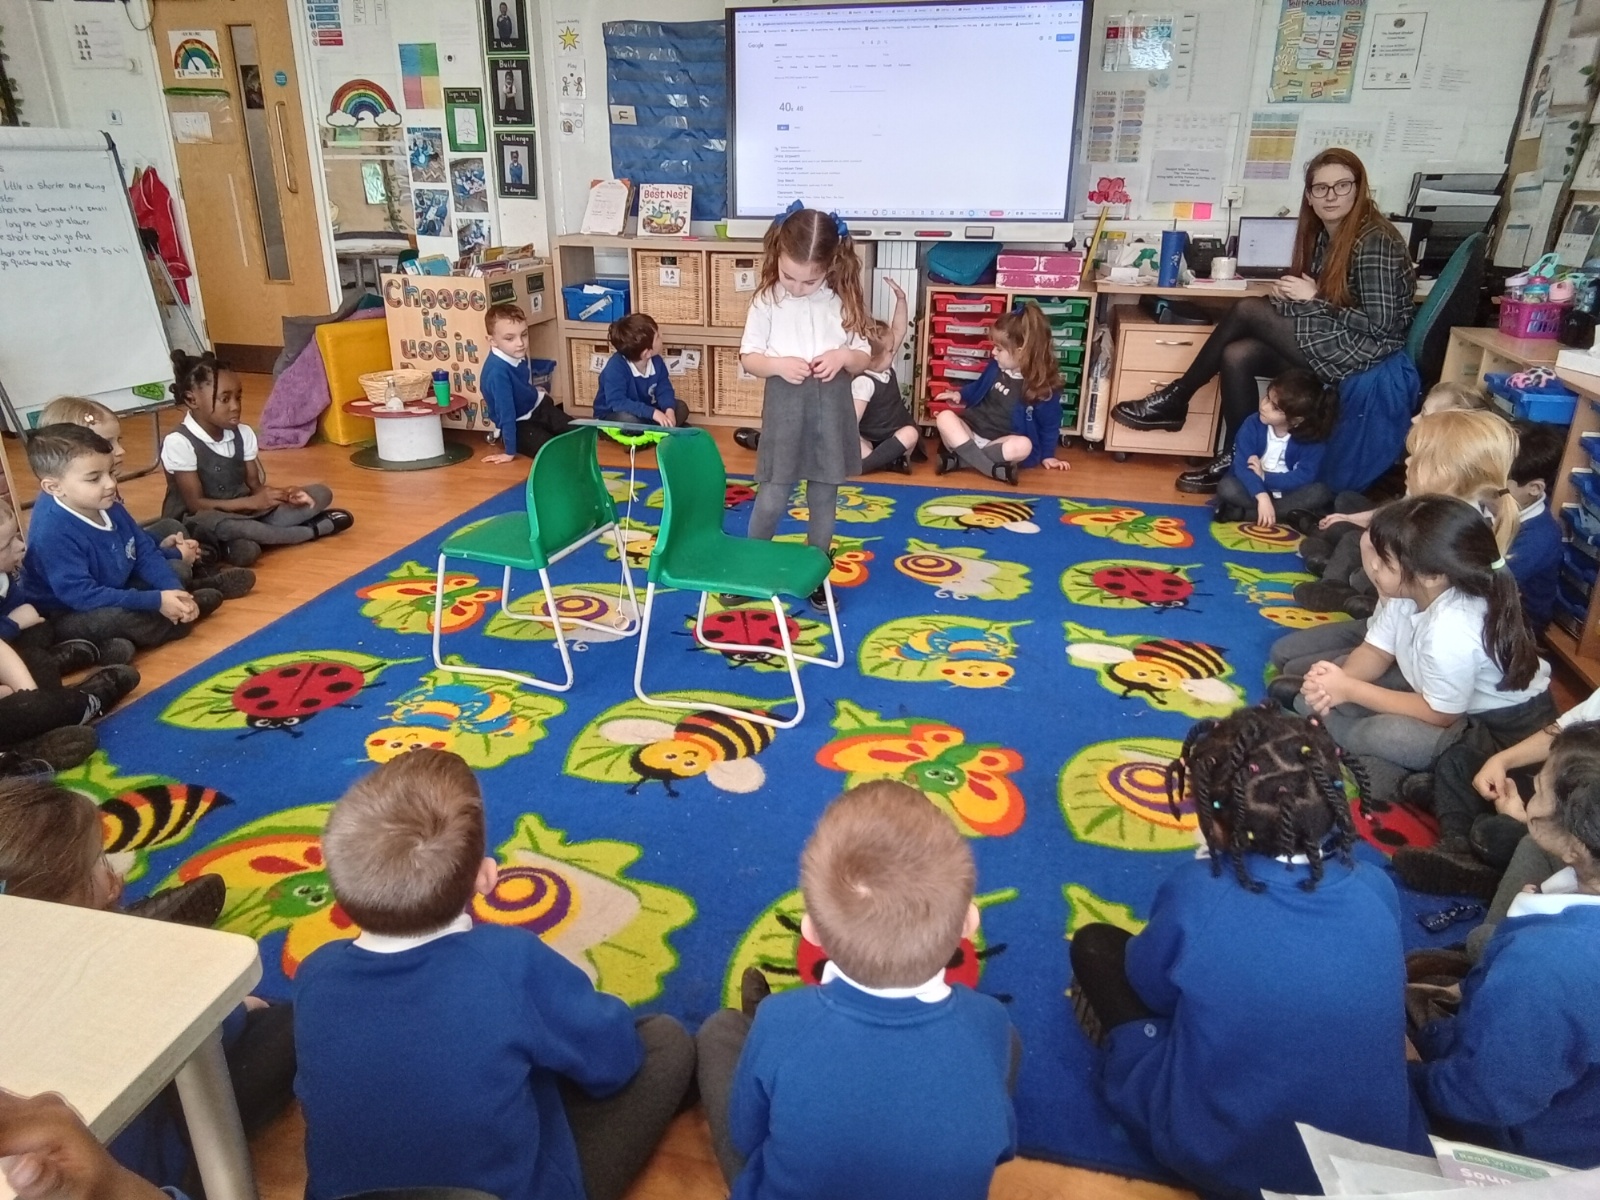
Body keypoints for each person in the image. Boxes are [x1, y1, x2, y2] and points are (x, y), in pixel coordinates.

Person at [294, 749, 694, 1200]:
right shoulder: (508, 961)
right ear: (486, 878)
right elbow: (615, 1063)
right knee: (664, 1040)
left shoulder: (315, 974)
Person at [1071, 704, 1426, 1200]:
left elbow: (1151, 989)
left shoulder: (1199, 893)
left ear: (1214, 821)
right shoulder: (1374, 885)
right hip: (1370, 1157)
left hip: (1225, 1154)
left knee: (1095, 946)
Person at [696, 780, 1018, 1199]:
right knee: (1003, 1045)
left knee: (721, 1032)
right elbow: (1002, 1147)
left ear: (811, 933)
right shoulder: (990, 1021)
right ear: (969, 924)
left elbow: (745, 1135)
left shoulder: (782, 1019)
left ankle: (761, 1036)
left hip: (791, 1044)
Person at [0, 777, 293, 1185]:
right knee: (296, 1018)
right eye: (100, 861)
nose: (114, 871)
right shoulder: (113, 974)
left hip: (88, 1145)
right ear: (66, 903)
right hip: (158, 1163)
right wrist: (242, 1010)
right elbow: (209, 1033)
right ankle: (139, 928)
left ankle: (135, 924)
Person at [1111, 148, 1415, 494]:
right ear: (1309, 196)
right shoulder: (1328, 235)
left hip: (1367, 352)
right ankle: (1239, 458)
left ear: (1359, 189)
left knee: (1247, 309)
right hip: (1342, 338)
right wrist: (1293, 298)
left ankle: (1177, 398)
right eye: (1320, 188)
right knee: (1237, 354)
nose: (1331, 196)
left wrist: (1314, 298)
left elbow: (1380, 325)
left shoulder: (1374, 241)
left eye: (1342, 186)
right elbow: (1334, 304)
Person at [1411, 721, 1600, 1169]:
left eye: (1539, 790)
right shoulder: (1554, 956)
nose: (1530, 795)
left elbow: (1482, 1100)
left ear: (1574, 845)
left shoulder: (1547, 965)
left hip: (1528, 1143)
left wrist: (1409, 1073)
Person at [1298, 496, 1552, 802]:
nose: (1373, 565)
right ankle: (1391, 768)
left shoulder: (1451, 629)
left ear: (1431, 575)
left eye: (1385, 561)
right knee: (1340, 681)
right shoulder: (1410, 592)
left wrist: (1347, 690)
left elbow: (1440, 714)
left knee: (1383, 733)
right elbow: (1376, 651)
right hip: (1450, 704)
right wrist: (1336, 685)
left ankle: (1393, 770)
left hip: (1494, 733)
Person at [738, 206, 872, 604]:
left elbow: (863, 355)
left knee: (824, 498)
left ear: (830, 265)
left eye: (809, 280)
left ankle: (815, 572)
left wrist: (843, 357)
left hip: (831, 408)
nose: (797, 288)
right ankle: (749, 567)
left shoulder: (842, 299)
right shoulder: (767, 301)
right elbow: (749, 358)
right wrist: (777, 365)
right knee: (773, 495)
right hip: (786, 408)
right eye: (789, 276)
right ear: (777, 256)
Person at [1298, 409, 1523, 617]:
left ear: (1446, 472)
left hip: (1402, 620)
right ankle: (1342, 578)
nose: (1406, 462)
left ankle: (1346, 585)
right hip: (1390, 616)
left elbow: (1409, 599)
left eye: (1417, 458)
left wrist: (1372, 555)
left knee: (1357, 557)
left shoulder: (1453, 529)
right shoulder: (1431, 504)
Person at [18, 426, 219, 651]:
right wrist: (157, 600)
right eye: (94, 478)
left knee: (175, 569)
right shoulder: (52, 533)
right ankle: (177, 618)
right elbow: (82, 596)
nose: (111, 484)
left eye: (111, 473)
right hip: (68, 611)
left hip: (112, 584)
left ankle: (175, 607)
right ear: (54, 487)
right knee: (114, 619)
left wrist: (173, 590)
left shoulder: (104, 501)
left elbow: (143, 550)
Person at [40, 396, 254, 601]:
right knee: (175, 569)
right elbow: (110, 560)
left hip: (118, 560)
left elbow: (126, 537)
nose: (120, 450)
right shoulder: (64, 514)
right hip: (107, 585)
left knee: (170, 527)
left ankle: (192, 579)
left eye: (118, 440)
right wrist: (171, 554)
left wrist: (162, 547)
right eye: (107, 443)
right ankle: (189, 589)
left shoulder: (93, 488)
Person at [162, 351, 352, 566]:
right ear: (191, 399)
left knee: (320, 493)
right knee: (235, 531)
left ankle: (250, 540)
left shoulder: (242, 433)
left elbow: (255, 487)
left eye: (238, 397)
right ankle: (311, 531)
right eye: (225, 399)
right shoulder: (179, 441)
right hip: (200, 520)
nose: (235, 406)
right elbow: (195, 504)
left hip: (247, 512)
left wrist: (286, 494)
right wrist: (251, 502)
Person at [932, 301, 1069, 484]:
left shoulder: (1041, 388)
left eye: (999, 349)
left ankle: (960, 461)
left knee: (1024, 446)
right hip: (970, 433)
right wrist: (960, 395)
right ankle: (991, 469)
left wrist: (1048, 455)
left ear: (1021, 352)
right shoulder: (995, 367)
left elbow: (1049, 425)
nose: (993, 352)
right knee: (944, 417)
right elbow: (979, 386)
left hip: (999, 444)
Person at [1213, 368, 1337, 525]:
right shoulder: (1252, 424)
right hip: (1252, 490)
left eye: (1275, 408)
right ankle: (1286, 514)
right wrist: (1262, 495)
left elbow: (1304, 476)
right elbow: (1242, 466)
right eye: (1267, 398)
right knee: (1227, 487)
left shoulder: (1312, 440)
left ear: (1296, 420)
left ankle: (1245, 514)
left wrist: (1265, 478)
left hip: (1288, 492)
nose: (1264, 406)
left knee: (1320, 492)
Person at [480, 302, 572, 463]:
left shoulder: (516, 353)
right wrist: (509, 452)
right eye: (510, 338)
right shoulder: (497, 373)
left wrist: (536, 393)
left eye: (523, 334)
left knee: (577, 431)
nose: (520, 343)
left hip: (535, 407)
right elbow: (506, 413)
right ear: (492, 341)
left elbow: (522, 384)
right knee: (549, 450)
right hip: (517, 422)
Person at [1503, 418, 1564, 635]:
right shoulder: (1499, 503)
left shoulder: (1540, 536)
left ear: (1534, 488)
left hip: (1520, 626)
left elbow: (1488, 583)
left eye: (1496, 483)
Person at [594, 313, 690, 428]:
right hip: (614, 413)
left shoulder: (657, 362)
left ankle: (653, 429)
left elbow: (664, 389)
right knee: (628, 420)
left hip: (644, 411)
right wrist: (653, 413)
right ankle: (657, 429)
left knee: (681, 407)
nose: (662, 336)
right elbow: (618, 403)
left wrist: (669, 410)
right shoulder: (615, 367)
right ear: (647, 353)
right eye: (657, 336)